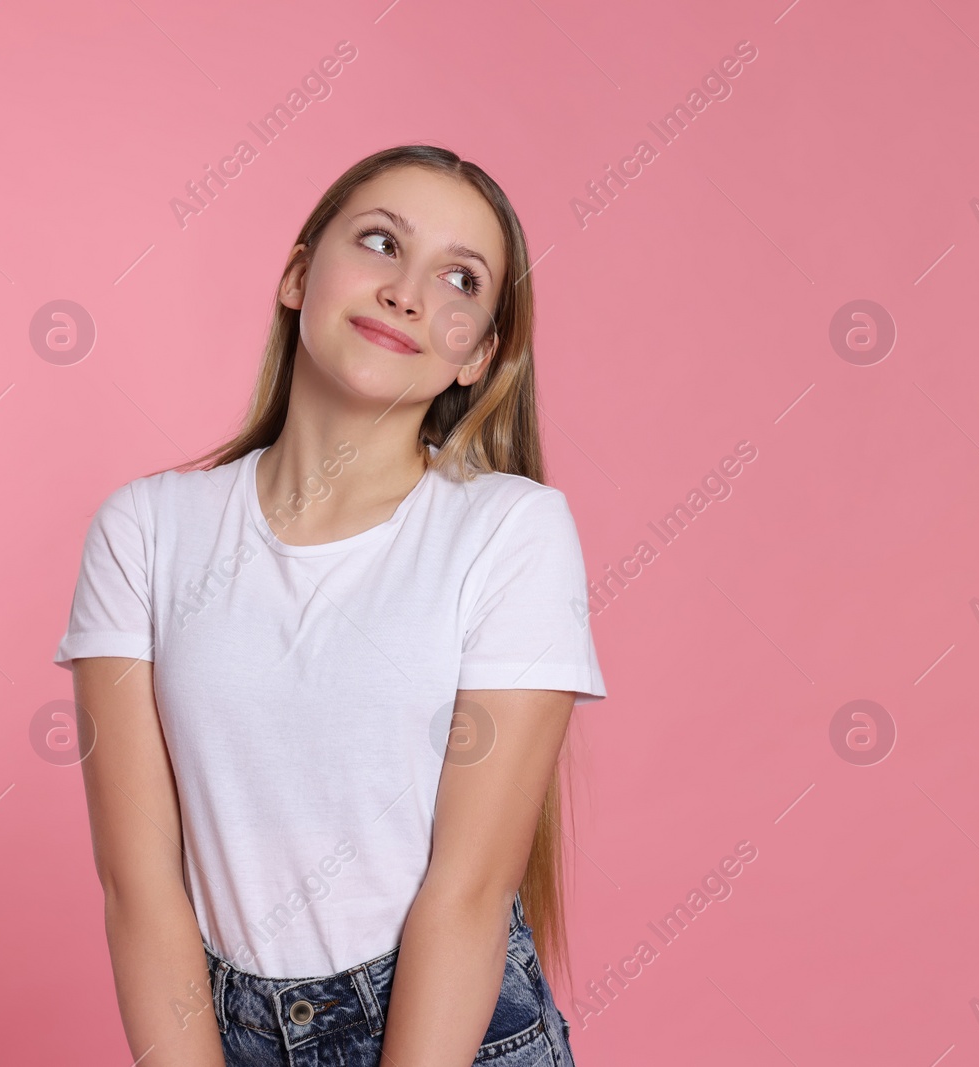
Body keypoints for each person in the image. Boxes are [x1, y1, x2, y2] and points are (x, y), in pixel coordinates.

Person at [53, 144, 606, 1067]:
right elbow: (139, 885)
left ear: (481, 354)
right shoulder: (146, 530)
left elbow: (467, 893)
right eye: (382, 242)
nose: (409, 293)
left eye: (460, 279)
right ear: (300, 274)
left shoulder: (512, 532)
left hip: (451, 1032)